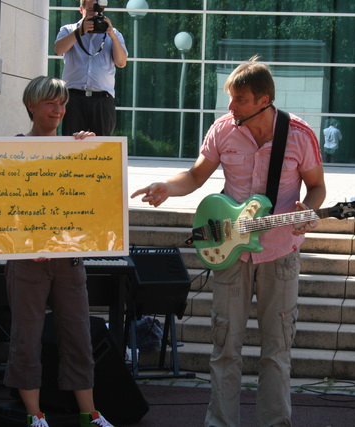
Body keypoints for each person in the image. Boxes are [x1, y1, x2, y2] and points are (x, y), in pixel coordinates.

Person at [131, 56, 326, 427]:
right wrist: (166, 189)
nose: (230, 106)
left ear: (263, 100)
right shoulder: (222, 130)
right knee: (224, 349)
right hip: (229, 254)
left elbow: (317, 187)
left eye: (238, 99)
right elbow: (194, 176)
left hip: (280, 253)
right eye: (230, 98)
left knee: (276, 351)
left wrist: (308, 211)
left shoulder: (300, 136)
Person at [4, 76, 114, 427]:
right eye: (51, 103)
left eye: (62, 103)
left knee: (79, 336)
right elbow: (3, 205)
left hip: (69, 257)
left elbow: (96, 198)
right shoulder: (13, 150)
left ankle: (90, 414)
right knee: (26, 337)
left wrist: (92, 155)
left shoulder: (75, 147)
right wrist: (26, 243)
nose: (59, 110)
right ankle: (35, 415)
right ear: (31, 106)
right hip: (27, 261)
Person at [54, 0, 128, 136]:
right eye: (89, 11)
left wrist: (111, 34)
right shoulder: (68, 30)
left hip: (102, 99)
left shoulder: (114, 34)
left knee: (102, 147)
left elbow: (121, 62)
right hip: (74, 98)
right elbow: (59, 49)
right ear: (81, 9)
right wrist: (80, 31)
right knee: (72, 145)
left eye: (97, 11)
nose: (93, 14)